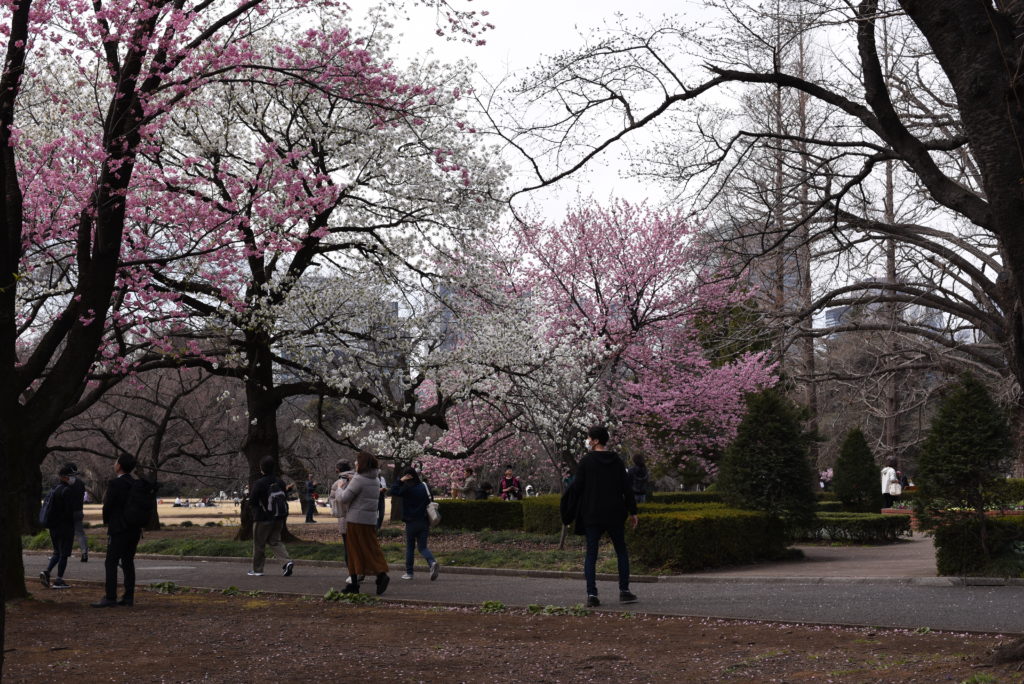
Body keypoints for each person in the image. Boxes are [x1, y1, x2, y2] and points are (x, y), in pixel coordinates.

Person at [564, 425, 638, 608]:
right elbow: (626, 488)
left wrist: (568, 510)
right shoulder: (617, 461)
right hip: (614, 512)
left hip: (592, 513)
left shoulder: (586, 462)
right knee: (621, 551)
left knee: (591, 554)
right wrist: (633, 511)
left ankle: (592, 594)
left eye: (589, 438)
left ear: (596, 440)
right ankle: (624, 591)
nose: (588, 441)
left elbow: (577, 488)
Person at [92, 455, 143, 607]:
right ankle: (128, 597)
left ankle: (110, 596)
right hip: (134, 528)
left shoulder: (115, 484)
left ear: (119, 466)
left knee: (111, 562)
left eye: (116, 462)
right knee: (128, 562)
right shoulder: (136, 484)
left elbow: (108, 506)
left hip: (118, 528)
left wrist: (107, 521)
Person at [339, 452, 391, 595]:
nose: (355, 463)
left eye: (357, 461)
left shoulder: (359, 479)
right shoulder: (375, 480)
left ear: (362, 463)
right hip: (369, 520)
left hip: (355, 520)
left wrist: (340, 487)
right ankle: (380, 574)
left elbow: (344, 498)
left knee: (354, 550)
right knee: (370, 548)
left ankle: (355, 583)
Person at [249, 456, 295, 578]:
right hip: (279, 517)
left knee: (259, 544)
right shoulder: (280, 481)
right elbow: (285, 496)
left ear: (261, 468)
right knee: (275, 541)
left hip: (263, 518)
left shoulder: (259, 483)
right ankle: (286, 562)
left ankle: (257, 569)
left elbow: (252, 501)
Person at [390, 467, 440, 581]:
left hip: (411, 521)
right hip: (424, 520)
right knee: (422, 547)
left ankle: (409, 573)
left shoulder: (406, 489)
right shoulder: (425, 486)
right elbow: (431, 498)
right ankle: (432, 562)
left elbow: (392, 491)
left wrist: (400, 480)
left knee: (410, 547)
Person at [40, 465, 76, 589]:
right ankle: (59, 580)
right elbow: (69, 511)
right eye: (71, 476)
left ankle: (47, 572)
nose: (73, 478)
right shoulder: (67, 491)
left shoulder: (54, 489)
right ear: (65, 477)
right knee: (64, 554)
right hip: (65, 526)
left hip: (53, 526)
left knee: (57, 552)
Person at [328, 460, 354, 565]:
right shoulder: (358, 479)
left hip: (345, 518)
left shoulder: (337, 484)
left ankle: (352, 573)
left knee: (348, 546)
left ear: (338, 470)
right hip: (360, 518)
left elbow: (333, 502)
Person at [65, 463, 89, 562]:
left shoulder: (66, 483)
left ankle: (63, 553)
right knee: (80, 533)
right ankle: (84, 552)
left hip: (67, 512)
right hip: (78, 510)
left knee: (65, 533)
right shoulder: (80, 483)